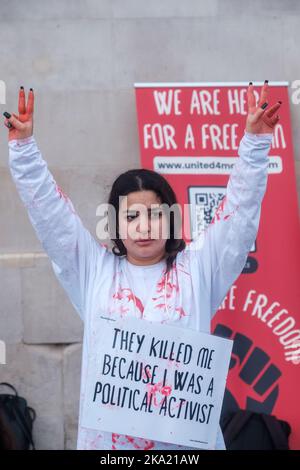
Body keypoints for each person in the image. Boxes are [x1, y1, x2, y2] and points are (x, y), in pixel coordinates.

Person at [3, 82, 281, 450]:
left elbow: (238, 216)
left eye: (154, 214)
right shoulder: (93, 271)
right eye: (132, 216)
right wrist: (24, 152)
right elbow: (53, 218)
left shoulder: (197, 271)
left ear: (171, 219)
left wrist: (256, 145)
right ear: (116, 225)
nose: (144, 226)